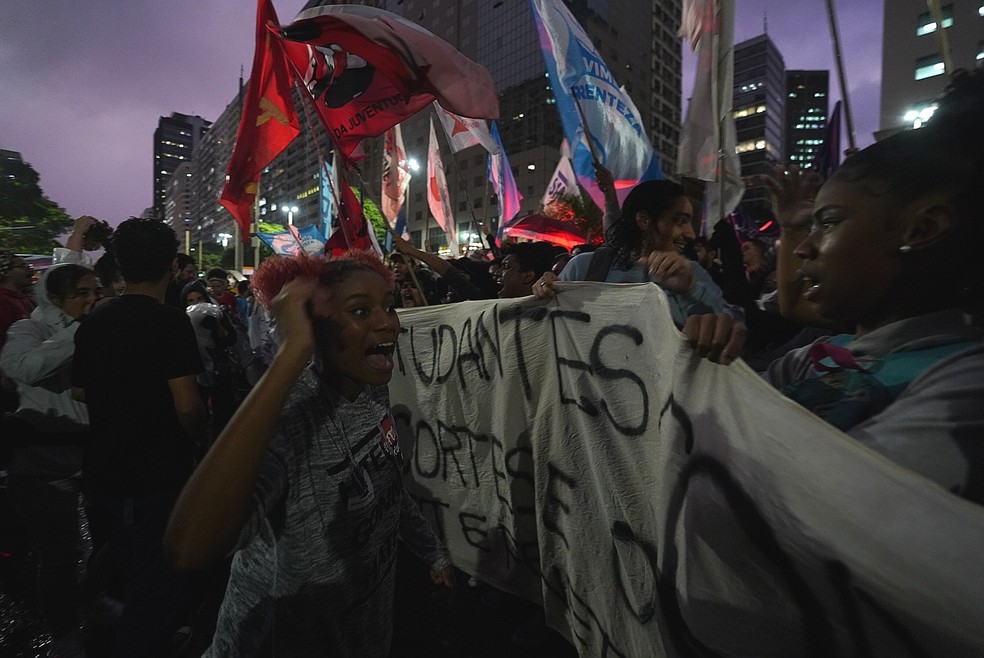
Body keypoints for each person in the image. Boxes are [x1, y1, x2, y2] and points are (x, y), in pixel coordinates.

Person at [710, 68, 984, 503]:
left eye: (830, 222)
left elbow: (823, 512)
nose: (802, 249)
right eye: (808, 227)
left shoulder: (964, 388)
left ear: (923, 227)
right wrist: (704, 366)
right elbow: (718, 415)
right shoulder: (813, 358)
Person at [164, 251, 455, 657]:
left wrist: (431, 549)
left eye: (389, 306)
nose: (387, 321)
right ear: (312, 326)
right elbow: (190, 547)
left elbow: (384, 480)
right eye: (360, 310)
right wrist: (291, 352)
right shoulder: (291, 417)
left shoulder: (370, 388)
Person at [71, 218, 207, 657]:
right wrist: (202, 441)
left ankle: (106, 618)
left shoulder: (96, 319)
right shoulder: (170, 322)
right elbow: (186, 404)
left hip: (101, 469)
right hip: (154, 472)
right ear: (171, 264)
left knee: (125, 564)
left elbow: (79, 391)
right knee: (155, 585)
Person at [532, 168, 745, 363]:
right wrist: (543, 295)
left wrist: (692, 291)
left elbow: (730, 329)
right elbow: (547, 334)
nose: (690, 233)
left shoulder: (691, 274)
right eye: (680, 221)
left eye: (690, 222)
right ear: (644, 220)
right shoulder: (586, 267)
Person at [0, 263, 99, 658]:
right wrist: (80, 333)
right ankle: (63, 633)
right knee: (58, 555)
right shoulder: (28, 329)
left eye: (96, 292)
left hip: (93, 451)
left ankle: (93, 602)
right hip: (41, 459)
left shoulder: (93, 327)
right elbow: (20, 367)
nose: (92, 300)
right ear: (54, 298)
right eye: (82, 293)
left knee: (108, 540)